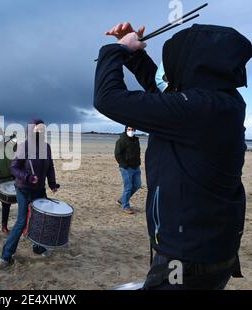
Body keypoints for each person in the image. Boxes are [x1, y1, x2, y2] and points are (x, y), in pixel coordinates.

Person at [94, 22, 251, 289]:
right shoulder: (222, 102)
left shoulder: (200, 108)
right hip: (207, 252)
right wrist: (135, 54)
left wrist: (115, 50)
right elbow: (164, 95)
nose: (168, 71)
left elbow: (108, 98)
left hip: (185, 261)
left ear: (193, 62)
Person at [0, 119, 60, 267]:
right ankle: (6, 255)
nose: (41, 133)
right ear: (31, 131)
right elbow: (14, 168)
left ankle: (38, 246)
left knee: (40, 219)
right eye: (38, 130)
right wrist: (27, 176)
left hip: (39, 189)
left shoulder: (46, 147)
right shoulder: (23, 146)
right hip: (24, 189)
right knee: (22, 221)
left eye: (43, 130)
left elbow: (50, 166)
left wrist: (52, 183)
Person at [114, 126, 141, 215]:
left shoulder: (136, 140)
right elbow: (117, 154)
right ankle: (125, 206)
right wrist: (125, 165)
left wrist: (138, 163)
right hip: (126, 168)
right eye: (129, 129)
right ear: (126, 130)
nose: (131, 131)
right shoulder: (121, 141)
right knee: (128, 187)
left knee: (137, 185)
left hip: (136, 167)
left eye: (132, 129)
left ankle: (122, 199)